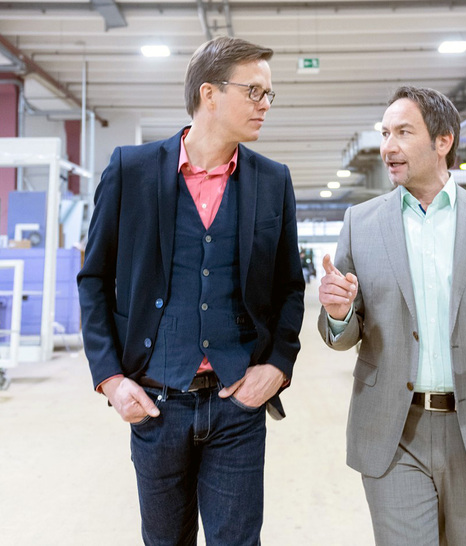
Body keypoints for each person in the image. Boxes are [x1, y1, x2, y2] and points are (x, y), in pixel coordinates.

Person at [78, 36, 305, 545]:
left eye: (270, 94)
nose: (265, 104)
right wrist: (111, 380)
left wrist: (278, 366)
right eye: (255, 91)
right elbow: (94, 279)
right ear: (209, 93)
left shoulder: (272, 180)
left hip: (236, 405)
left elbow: (291, 286)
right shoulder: (130, 170)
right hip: (157, 403)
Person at [317, 86, 466, 545]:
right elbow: (344, 333)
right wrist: (340, 313)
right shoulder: (361, 224)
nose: (388, 147)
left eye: (403, 132)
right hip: (393, 431)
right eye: (385, 133)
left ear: (442, 141)